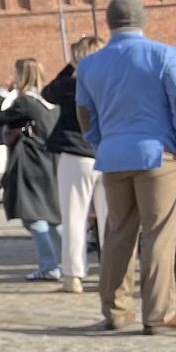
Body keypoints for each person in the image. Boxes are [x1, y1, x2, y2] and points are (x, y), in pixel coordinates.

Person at [76, 0, 176, 334]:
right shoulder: (163, 55)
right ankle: (159, 314)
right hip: (159, 154)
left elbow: (85, 115)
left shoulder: (89, 65)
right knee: (159, 235)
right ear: (142, 20)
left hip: (113, 156)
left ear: (109, 23)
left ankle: (116, 310)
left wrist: (103, 144)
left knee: (118, 233)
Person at [0, 58, 64, 282]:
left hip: (30, 163)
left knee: (33, 216)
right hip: (50, 161)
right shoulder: (49, 102)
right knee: (53, 216)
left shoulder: (25, 103)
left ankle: (49, 266)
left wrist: (1, 94)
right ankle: (70, 262)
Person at [43, 36, 107, 292]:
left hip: (75, 152)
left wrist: (71, 66)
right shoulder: (109, 81)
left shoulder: (72, 83)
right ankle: (114, 270)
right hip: (106, 152)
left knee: (74, 216)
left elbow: (48, 92)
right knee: (111, 218)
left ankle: (73, 274)